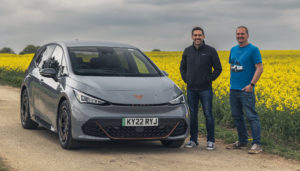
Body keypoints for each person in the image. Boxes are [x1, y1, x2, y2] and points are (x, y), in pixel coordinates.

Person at [180, 26, 222, 150]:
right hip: (191, 88)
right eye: (195, 35)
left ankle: (210, 140)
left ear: (203, 36)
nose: (197, 37)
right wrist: (186, 79)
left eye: (200, 35)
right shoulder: (187, 51)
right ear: (192, 37)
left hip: (206, 89)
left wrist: (209, 79)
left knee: (208, 114)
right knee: (193, 115)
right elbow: (182, 68)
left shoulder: (210, 51)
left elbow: (218, 69)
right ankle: (193, 140)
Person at [226, 26, 264, 154]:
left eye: (242, 34)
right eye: (238, 34)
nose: (240, 36)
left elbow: (259, 68)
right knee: (237, 116)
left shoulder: (253, 50)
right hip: (234, 89)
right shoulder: (233, 50)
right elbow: (233, 65)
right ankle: (242, 141)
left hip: (246, 90)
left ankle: (257, 144)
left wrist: (251, 85)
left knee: (251, 116)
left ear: (247, 35)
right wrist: (232, 83)